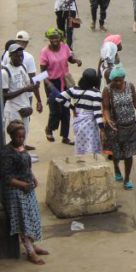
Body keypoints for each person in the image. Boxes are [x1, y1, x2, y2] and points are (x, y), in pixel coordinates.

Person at [0, 121, 48, 265]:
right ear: (11, 136)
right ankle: (30, 252)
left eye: (23, 137)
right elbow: (7, 178)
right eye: (18, 137)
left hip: (27, 188)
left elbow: (27, 165)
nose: (21, 140)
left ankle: (32, 245)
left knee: (31, 218)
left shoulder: (22, 148)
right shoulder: (7, 153)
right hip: (15, 192)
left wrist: (32, 177)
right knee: (23, 222)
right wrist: (23, 185)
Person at [102, 65, 136, 190]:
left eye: (120, 80)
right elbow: (106, 108)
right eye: (115, 80)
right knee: (116, 153)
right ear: (111, 80)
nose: (118, 82)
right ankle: (116, 168)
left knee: (128, 154)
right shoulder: (107, 90)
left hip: (130, 126)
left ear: (124, 78)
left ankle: (126, 179)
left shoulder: (130, 86)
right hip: (115, 128)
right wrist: (108, 120)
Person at [39, 28, 82, 144]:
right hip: (52, 83)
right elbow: (42, 73)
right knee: (55, 110)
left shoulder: (64, 46)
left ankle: (65, 136)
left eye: (56, 37)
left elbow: (70, 59)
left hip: (65, 81)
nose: (54, 40)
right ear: (49, 39)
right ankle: (49, 129)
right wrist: (49, 84)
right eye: (51, 38)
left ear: (60, 38)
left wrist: (76, 61)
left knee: (66, 109)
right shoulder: (45, 52)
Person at [57, 69, 103, 155]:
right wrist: (102, 129)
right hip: (90, 125)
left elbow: (59, 98)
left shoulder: (74, 90)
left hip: (77, 121)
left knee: (80, 146)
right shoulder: (96, 94)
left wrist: (72, 107)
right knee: (90, 148)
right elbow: (97, 114)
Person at [2, 31, 44, 118]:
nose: (20, 58)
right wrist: (39, 101)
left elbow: (29, 82)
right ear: (27, 42)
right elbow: (32, 81)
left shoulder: (7, 54)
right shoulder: (28, 57)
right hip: (20, 101)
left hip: (15, 102)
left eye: (21, 56)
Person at [1, 45, 37, 139]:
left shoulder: (23, 66)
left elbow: (28, 84)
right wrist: (25, 89)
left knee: (23, 137)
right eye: (17, 56)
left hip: (24, 109)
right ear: (10, 56)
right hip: (13, 111)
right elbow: (5, 96)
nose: (20, 58)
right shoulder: (5, 72)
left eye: (22, 56)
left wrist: (34, 85)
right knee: (14, 139)